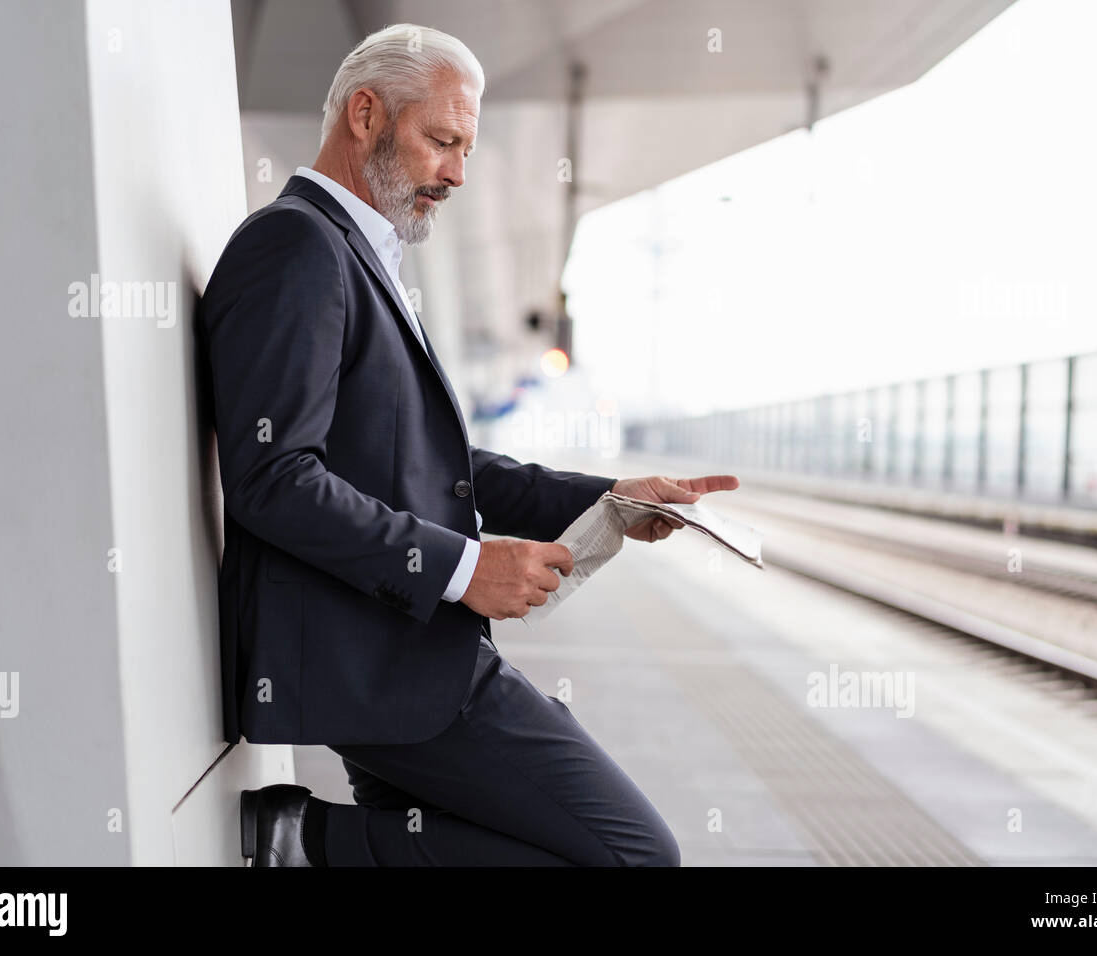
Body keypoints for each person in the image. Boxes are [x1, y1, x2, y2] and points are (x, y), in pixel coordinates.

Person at [202, 22, 739, 866]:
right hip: (380, 663)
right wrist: (465, 568)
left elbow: (434, 464)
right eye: (441, 141)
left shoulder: (358, 256)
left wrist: (610, 501)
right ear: (367, 114)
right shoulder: (296, 248)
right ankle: (302, 840)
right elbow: (273, 478)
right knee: (636, 856)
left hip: (398, 654)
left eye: (466, 150)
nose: (455, 172)